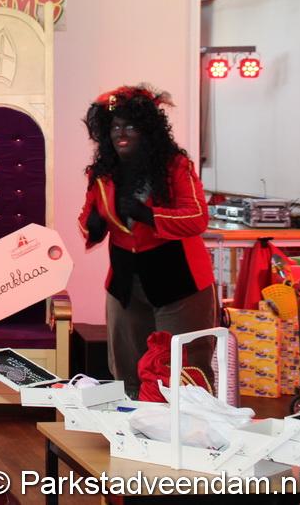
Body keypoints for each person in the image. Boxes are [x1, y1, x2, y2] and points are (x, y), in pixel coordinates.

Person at [78, 85, 216, 400]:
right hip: (125, 282)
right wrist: (93, 226)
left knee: (183, 369)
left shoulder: (176, 166)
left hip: (178, 281)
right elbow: (86, 217)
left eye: (130, 126)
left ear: (148, 130)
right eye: (115, 127)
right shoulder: (102, 173)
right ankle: (132, 424)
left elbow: (197, 217)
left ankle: (189, 426)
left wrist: (149, 215)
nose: (120, 133)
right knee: (128, 371)